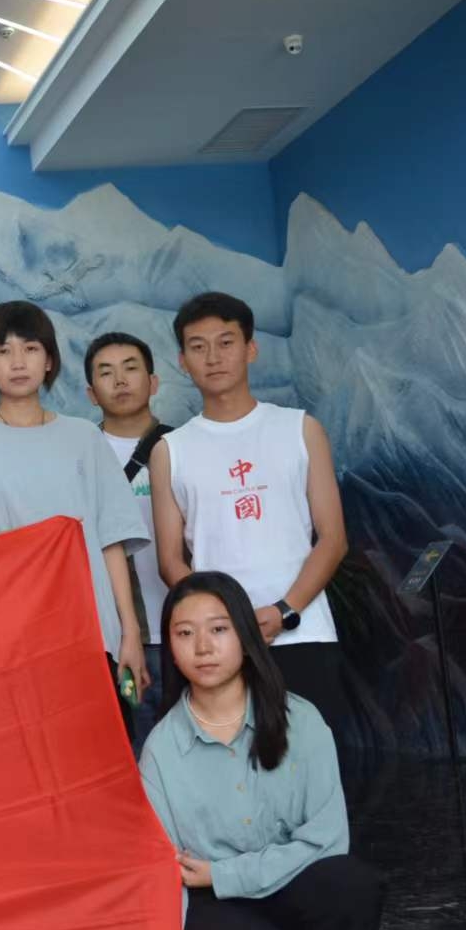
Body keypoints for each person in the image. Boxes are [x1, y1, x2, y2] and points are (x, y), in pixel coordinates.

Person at [140, 571, 394, 930]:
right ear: (170, 647)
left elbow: (327, 841)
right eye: (185, 633)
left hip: (256, 880)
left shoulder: (302, 721)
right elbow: (167, 878)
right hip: (212, 903)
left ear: (245, 636)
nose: (203, 647)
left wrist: (225, 873)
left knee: (352, 884)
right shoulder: (161, 752)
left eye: (218, 629)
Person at [0, 302, 150, 737]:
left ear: (50, 359)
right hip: (11, 639)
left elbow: (111, 541)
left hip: (92, 632)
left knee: (101, 751)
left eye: (31, 348)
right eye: (3, 351)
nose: (18, 362)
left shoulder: (84, 436)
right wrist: (39, 548)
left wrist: (129, 632)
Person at [149, 291, 352, 734]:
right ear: (182, 361)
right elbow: (170, 561)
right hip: (222, 647)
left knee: (311, 758)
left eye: (226, 342)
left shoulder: (301, 429)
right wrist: (227, 623)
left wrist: (285, 610)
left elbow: (333, 539)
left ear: (251, 349)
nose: (213, 357)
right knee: (229, 759)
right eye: (198, 347)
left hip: (304, 631)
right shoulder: (170, 451)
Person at [85, 331, 173, 689]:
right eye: (106, 372)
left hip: (186, 626)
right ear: (91, 393)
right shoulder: (80, 455)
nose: (120, 380)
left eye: (130, 368)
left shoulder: (184, 446)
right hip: (113, 636)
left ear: (153, 383)